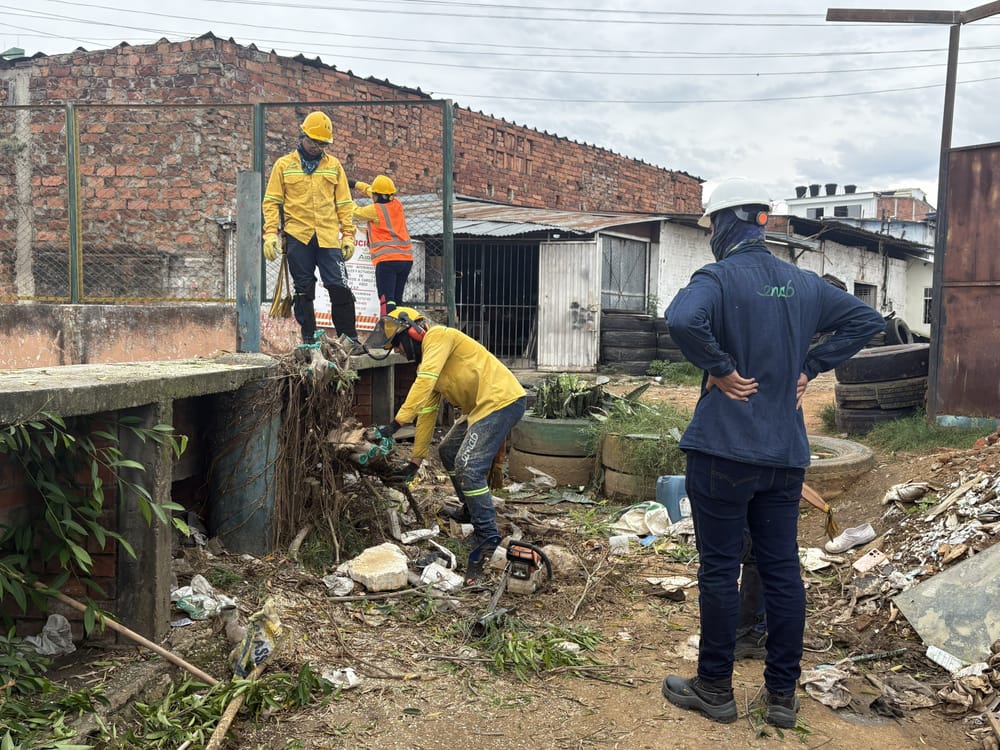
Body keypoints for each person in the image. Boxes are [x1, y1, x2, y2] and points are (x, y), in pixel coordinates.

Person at [661, 177, 884, 728]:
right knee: (782, 571)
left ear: (725, 223)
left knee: (719, 569)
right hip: (785, 456)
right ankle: (782, 696)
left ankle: (715, 688)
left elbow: (682, 319)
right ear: (761, 221)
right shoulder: (803, 284)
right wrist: (811, 366)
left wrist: (720, 369)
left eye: (711, 226)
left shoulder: (716, 277)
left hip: (722, 451)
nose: (710, 236)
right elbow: (867, 320)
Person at [364, 307, 527, 585]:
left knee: (468, 466)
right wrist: (415, 462)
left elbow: (424, 381)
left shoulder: (438, 336)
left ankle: (487, 535)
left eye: (398, 344)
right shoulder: (429, 364)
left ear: (413, 331)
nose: (399, 351)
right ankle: (470, 508)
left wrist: (395, 424)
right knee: (448, 451)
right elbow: (427, 414)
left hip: (501, 401)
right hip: (481, 409)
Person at [261, 111, 363, 355]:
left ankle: (349, 338)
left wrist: (348, 235)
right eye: (314, 142)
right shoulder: (284, 165)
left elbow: (344, 204)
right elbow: (272, 202)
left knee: (339, 285)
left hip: (328, 236)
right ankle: (309, 339)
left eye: (323, 144)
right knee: (303, 289)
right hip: (298, 236)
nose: (317, 147)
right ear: (303, 136)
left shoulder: (334, 166)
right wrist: (270, 233)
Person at [350, 175, 413, 316]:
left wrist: (347, 198)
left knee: (386, 301)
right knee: (397, 300)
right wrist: (356, 184)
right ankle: (399, 327)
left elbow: (355, 213)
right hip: (406, 260)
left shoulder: (375, 210)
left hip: (387, 261)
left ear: (377, 196)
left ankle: (387, 326)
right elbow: (372, 191)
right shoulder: (397, 204)